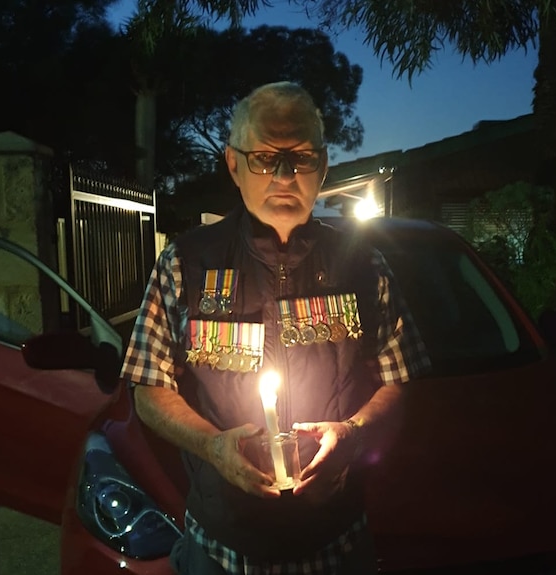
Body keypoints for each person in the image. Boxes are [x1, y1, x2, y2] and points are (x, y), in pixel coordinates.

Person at [122, 81, 429, 575]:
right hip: (220, 551)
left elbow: (400, 380)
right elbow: (148, 388)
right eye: (265, 157)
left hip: (337, 547)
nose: (284, 175)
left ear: (323, 166)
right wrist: (211, 447)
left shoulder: (364, 265)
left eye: (301, 157)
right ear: (233, 165)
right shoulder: (184, 263)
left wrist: (353, 434)